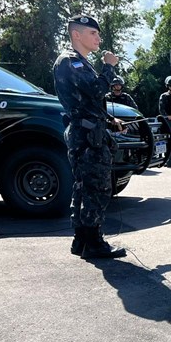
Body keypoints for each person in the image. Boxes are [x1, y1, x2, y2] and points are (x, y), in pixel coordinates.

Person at [53, 15, 127, 259]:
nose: (98, 38)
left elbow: (89, 102)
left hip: (89, 132)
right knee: (96, 188)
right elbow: (96, 89)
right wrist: (109, 66)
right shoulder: (70, 62)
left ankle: (81, 240)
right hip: (86, 138)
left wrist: (110, 121)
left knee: (84, 188)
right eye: (93, 33)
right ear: (77, 35)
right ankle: (94, 243)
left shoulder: (81, 64)